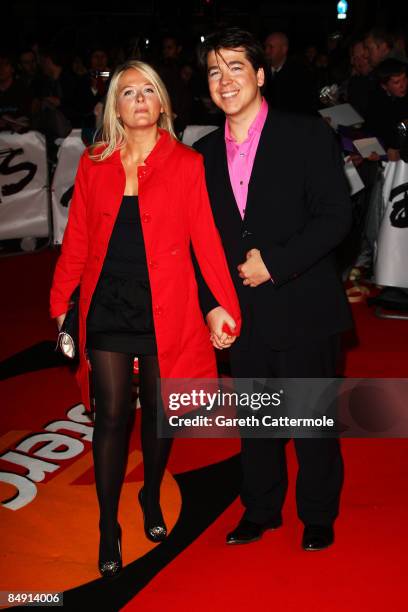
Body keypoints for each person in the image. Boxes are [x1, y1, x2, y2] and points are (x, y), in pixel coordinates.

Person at [49, 59, 241, 578]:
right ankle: (107, 522)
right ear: (115, 105)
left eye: (147, 91)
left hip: (167, 306)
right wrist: (63, 305)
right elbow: (79, 241)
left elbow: (205, 237)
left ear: (162, 104)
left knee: (160, 413)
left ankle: (151, 495)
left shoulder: (185, 163)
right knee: (111, 416)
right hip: (108, 303)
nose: (138, 100)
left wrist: (220, 302)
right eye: (127, 92)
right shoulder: (93, 162)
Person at [194, 28, 353, 551]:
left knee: (311, 420)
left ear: (260, 75)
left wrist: (276, 264)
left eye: (236, 67)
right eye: (215, 71)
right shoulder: (202, 154)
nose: (226, 80)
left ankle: (317, 514)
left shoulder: (307, 134)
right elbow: (197, 241)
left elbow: (336, 216)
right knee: (257, 422)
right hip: (241, 314)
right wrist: (211, 304)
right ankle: (260, 510)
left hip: (304, 302)